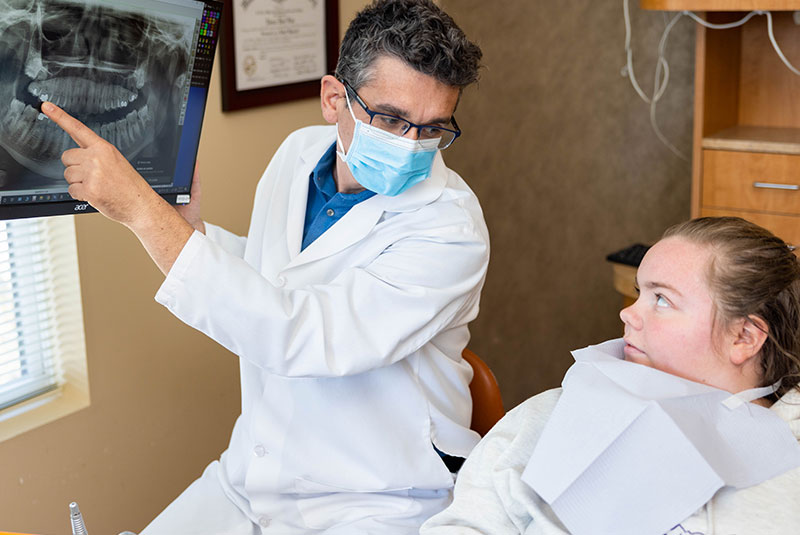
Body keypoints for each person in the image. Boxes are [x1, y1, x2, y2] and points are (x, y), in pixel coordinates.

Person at [41, 1, 488, 533]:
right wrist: (188, 231)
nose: (412, 146)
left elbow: (302, 332)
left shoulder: (450, 229)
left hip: (375, 498)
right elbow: (273, 277)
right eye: (391, 119)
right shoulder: (297, 153)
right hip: (252, 475)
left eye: (432, 127)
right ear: (332, 99)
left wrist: (143, 214)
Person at [421, 216, 800, 535]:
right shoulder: (547, 418)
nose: (628, 314)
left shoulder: (786, 473)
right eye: (639, 293)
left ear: (744, 337)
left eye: (662, 300)